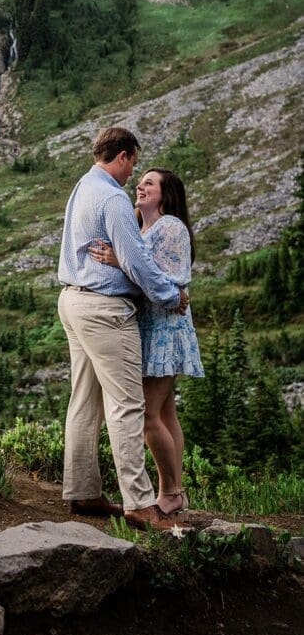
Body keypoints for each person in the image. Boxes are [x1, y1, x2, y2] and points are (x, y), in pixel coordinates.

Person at [57, 126, 189, 532]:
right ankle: (138, 502)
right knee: (127, 406)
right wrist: (172, 296)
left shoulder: (83, 187)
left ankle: (81, 490)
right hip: (106, 311)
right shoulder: (113, 199)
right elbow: (139, 264)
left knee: (84, 400)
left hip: (73, 299)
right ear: (125, 155)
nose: (133, 176)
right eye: (134, 164)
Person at [89, 168, 203, 518]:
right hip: (152, 328)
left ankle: (171, 491)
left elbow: (167, 279)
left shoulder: (170, 227)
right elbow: (146, 273)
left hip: (165, 330)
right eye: (142, 181)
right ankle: (174, 491)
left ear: (165, 195)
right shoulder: (143, 228)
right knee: (165, 414)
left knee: (145, 416)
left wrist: (117, 259)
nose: (140, 186)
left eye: (149, 183)